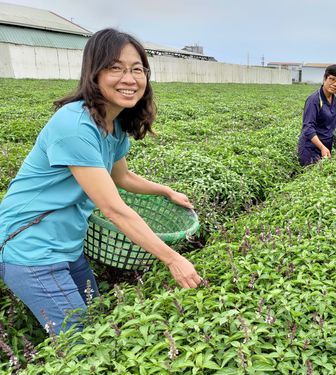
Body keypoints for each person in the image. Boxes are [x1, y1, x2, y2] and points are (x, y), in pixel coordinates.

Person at [0, 28, 202, 334]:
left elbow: (121, 176)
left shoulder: (114, 124)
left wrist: (166, 190)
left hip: (66, 245)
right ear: (94, 73)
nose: (129, 78)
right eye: (115, 68)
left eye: (137, 69)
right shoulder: (75, 125)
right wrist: (172, 259)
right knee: (81, 342)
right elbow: (113, 208)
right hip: (31, 247)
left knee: (95, 320)